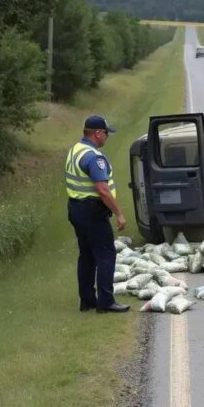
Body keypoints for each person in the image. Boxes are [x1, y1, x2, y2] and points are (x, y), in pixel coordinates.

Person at [65, 115, 129, 313]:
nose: (107, 137)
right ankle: (106, 302)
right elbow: (102, 189)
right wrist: (118, 213)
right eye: (106, 133)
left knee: (87, 255)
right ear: (98, 133)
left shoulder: (76, 149)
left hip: (76, 208)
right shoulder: (94, 157)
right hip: (92, 211)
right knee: (106, 255)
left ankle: (87, 301)